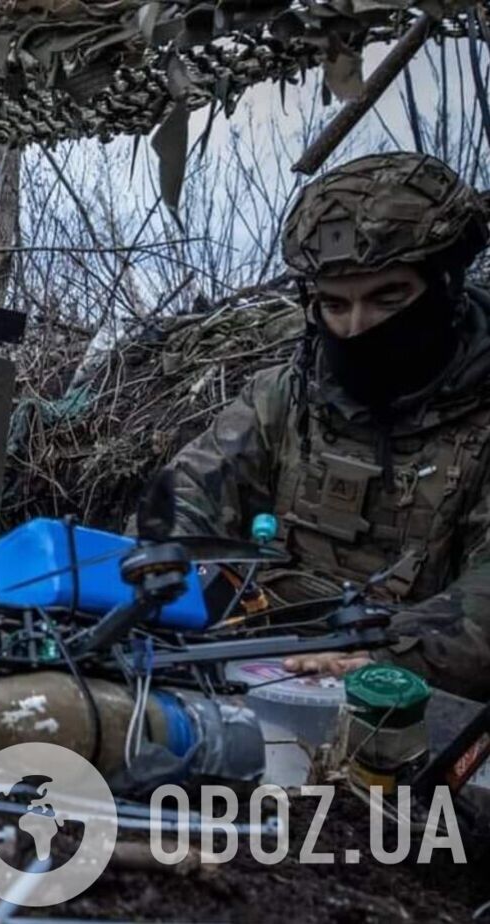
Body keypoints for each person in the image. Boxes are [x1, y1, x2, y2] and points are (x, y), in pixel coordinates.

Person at [164, 152, 490, 698]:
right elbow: (187, 493)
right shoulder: (284, 395)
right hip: (253, 664)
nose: (356, 328)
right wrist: (160, 578)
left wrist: (377, 651)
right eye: (334, 304)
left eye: (388, 298)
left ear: (447, 287)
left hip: (408, 697)